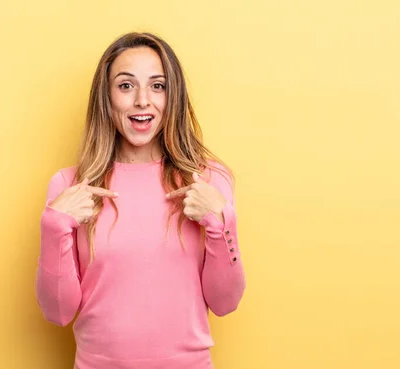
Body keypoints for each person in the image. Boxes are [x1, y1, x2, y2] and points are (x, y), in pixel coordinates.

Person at [36, 32, 246, 369]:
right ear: (107, 98)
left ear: (172, 96)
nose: (142, 101)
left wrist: (222, 224)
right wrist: (54, 226)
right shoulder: (70, 187)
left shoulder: (208, 180)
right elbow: (57, 312)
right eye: (126, 86)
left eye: (157, 86)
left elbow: (225, 302)